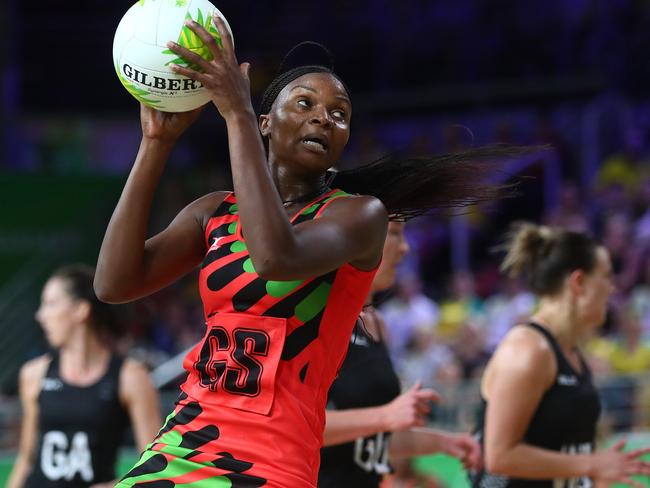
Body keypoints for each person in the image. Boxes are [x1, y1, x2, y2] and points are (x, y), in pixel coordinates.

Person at [94, 15, 529, 487]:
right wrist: (155, 144)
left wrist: (236, 114)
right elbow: (114, 284)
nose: (324, 117)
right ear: (267, 122)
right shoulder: (214, 212)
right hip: (182, 441)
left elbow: (275, 257)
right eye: (305, 103)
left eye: (339, 114)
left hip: (268, 459)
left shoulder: (359, 216)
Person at [472, 223, 650, 488]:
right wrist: (592, 464)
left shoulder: (573, 353)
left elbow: (570, 458)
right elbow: (499, 456)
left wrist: (597, 473)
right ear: (578, 282)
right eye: (606, 277)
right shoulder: (528, 350)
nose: (612, 289)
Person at [319, 221, 481, 487]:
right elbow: (298, 425)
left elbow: (376, 436)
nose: (405, 248)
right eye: (394, 233)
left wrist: (445, 442)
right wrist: (385, 416)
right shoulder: (320, 317)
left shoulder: (378, 324)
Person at [7, 264, 161, 488]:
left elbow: (155, 465)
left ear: (80, 310)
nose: (40, 316)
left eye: (50, 304)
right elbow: (26, 459)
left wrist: (112, 486)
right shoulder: (34, 374)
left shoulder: (131, 377)